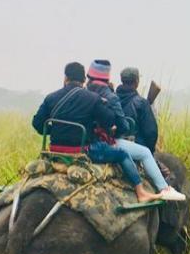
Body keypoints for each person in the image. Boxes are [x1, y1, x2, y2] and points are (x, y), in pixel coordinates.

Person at [32, 62, 163, 203]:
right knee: (122, 154)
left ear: (65, 78)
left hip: (54, 150)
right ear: (83, 80)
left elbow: (38, 124)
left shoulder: (51, 98)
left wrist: (56, 129)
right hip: (83, 151)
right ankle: (141, 192)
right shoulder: (92, 98)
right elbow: (109, 121)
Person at [86, 59, 185, 202]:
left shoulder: (88, 93)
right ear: (136, 82)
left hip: (88, 140)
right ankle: (164, 189)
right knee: (145, 153)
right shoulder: (120, 99)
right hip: (113, 141)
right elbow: (147, 132)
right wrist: (150, 148)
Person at [115, 66, 158, 152]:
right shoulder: (142, 103)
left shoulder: (112, 98)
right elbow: (151, 133)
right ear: (136, 81)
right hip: (136, 146)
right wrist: (151, 150)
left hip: (113, 143)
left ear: (122, 80)